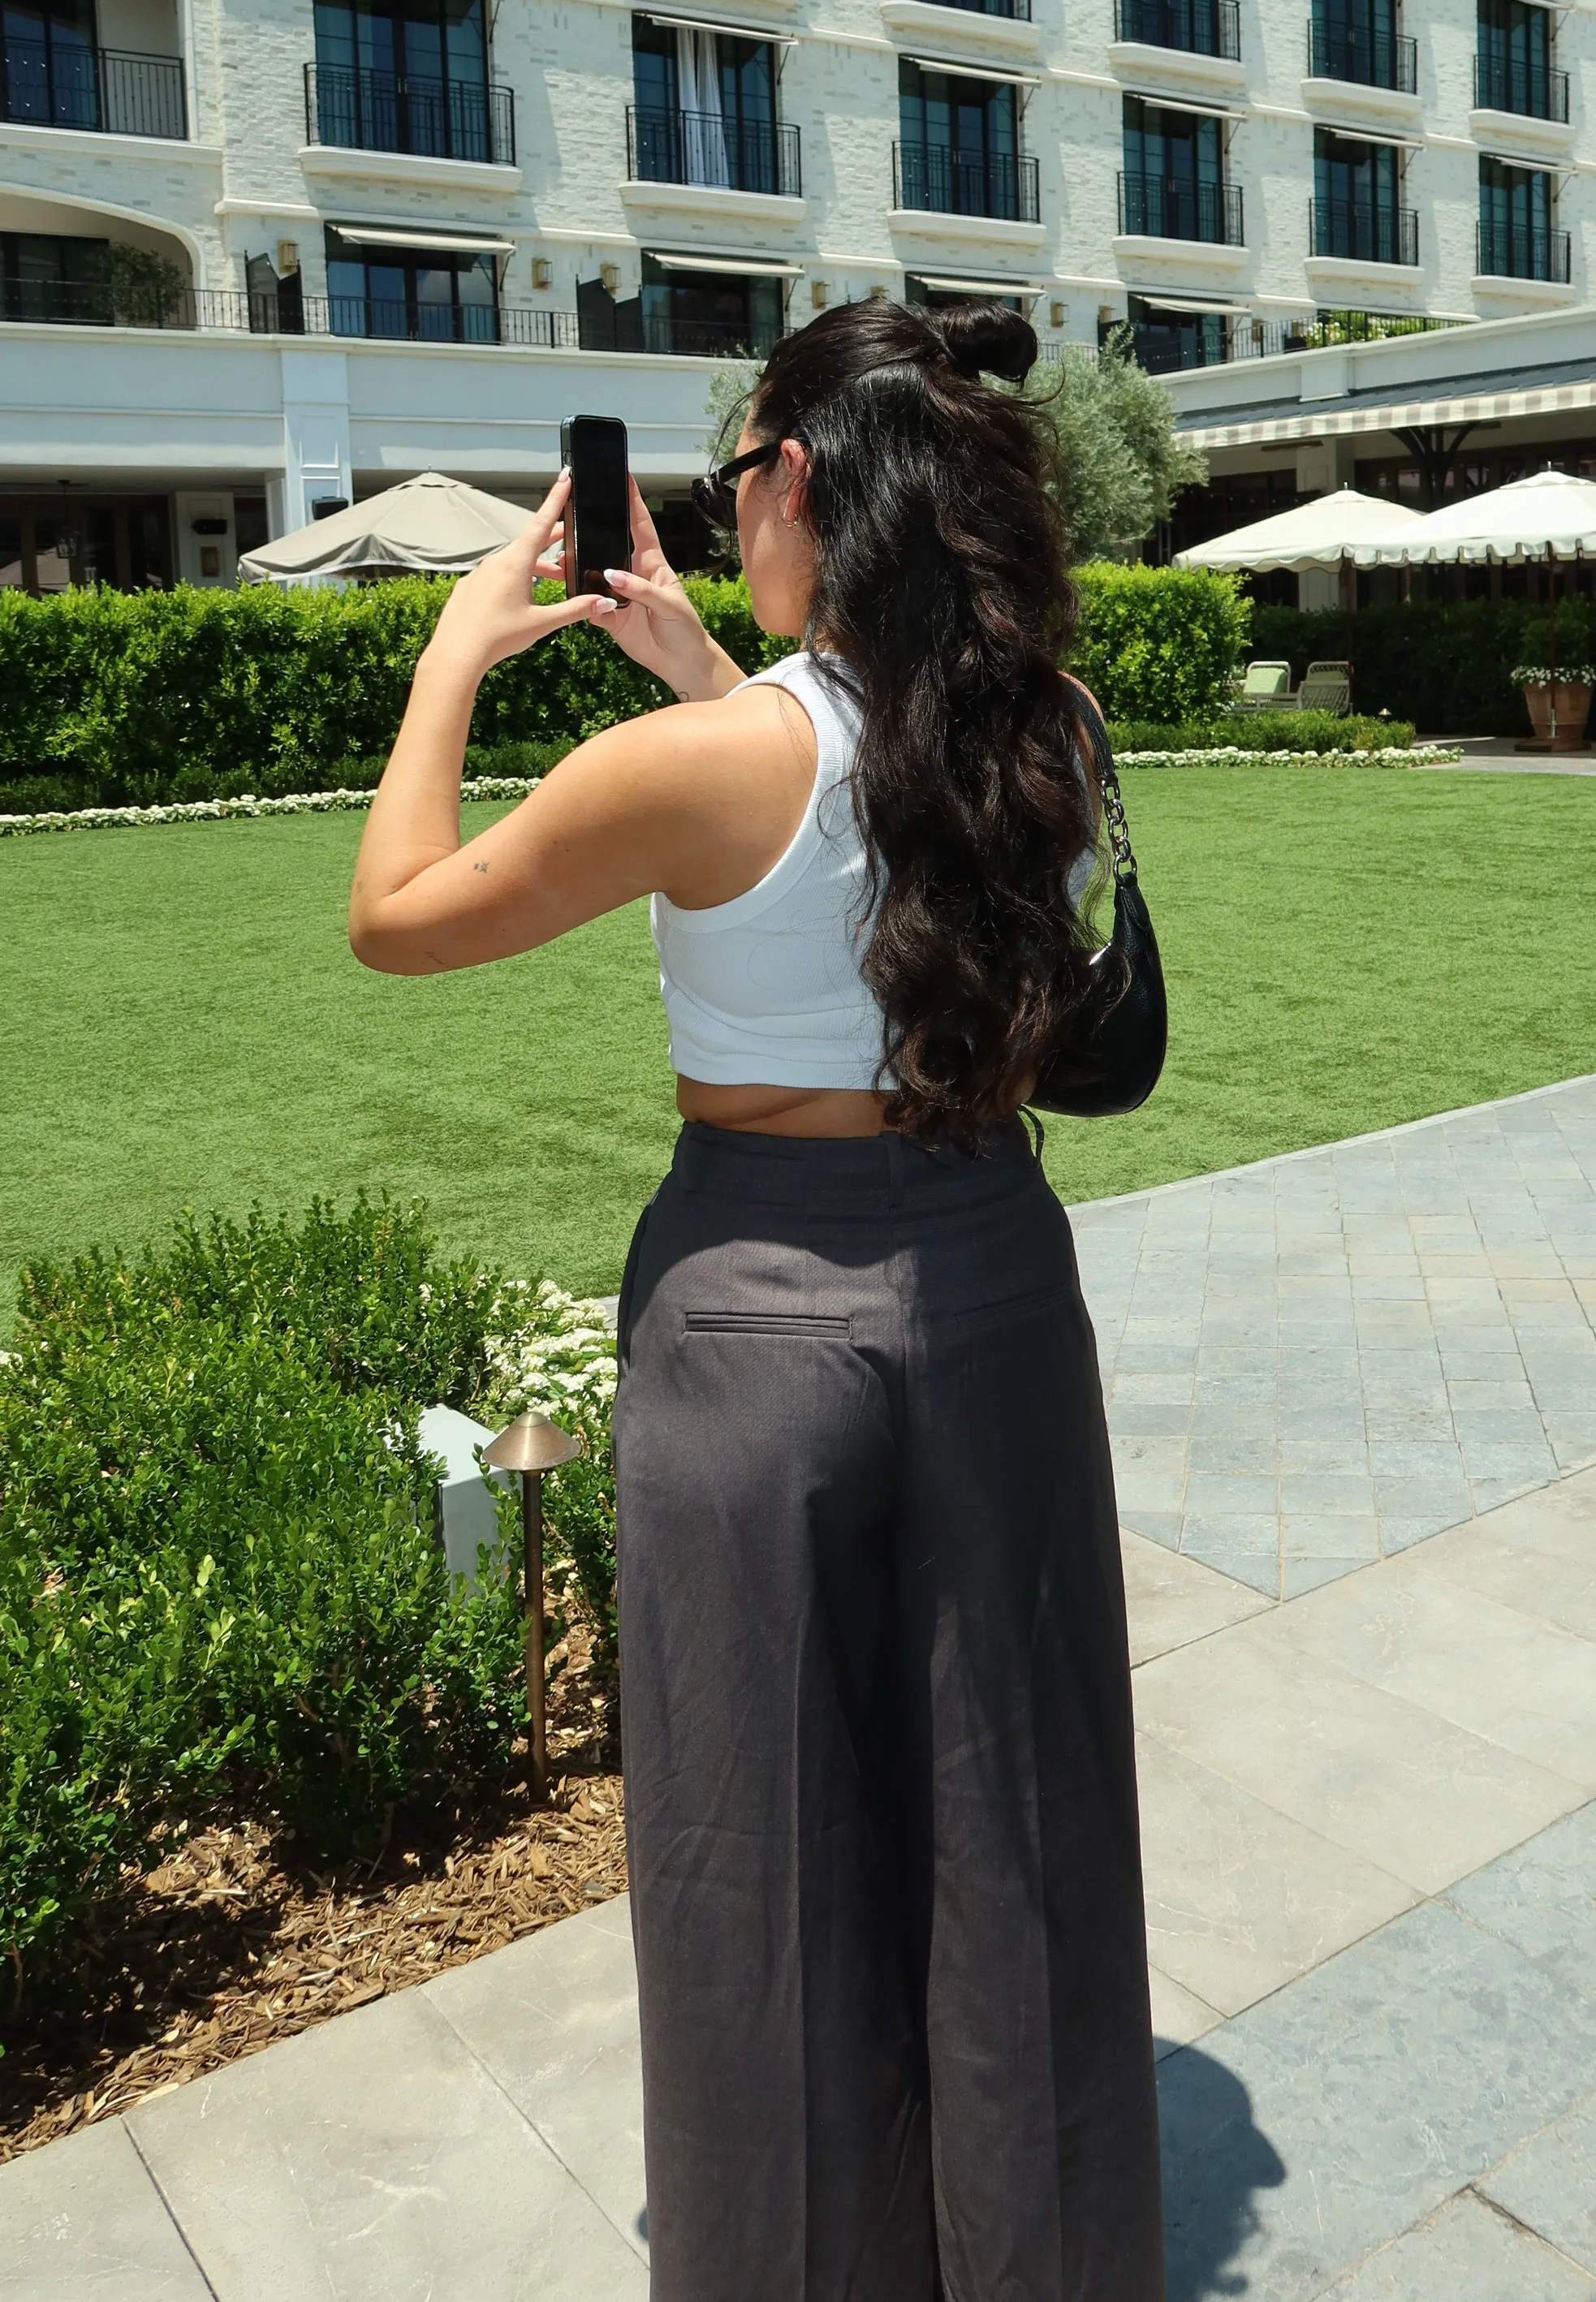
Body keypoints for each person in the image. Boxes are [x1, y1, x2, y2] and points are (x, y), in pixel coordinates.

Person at [349, 297, 1165, 2302]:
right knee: (1016, 1811)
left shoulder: (690, 769)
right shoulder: (1043, 727)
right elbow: (862, 828)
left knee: (762, 1861)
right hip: (992, 1286)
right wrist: (716, 670)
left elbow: (396, 916)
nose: (726, 522)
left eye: (736, 485)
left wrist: (454, 654)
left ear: (796, 476)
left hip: (753, 1322)